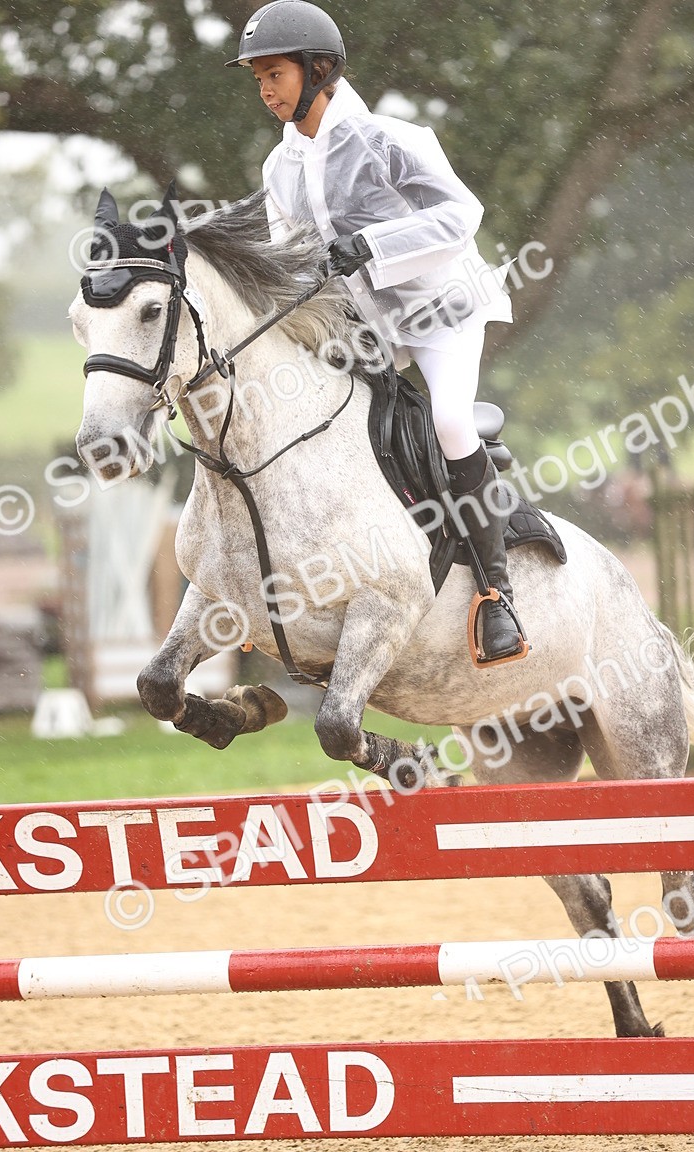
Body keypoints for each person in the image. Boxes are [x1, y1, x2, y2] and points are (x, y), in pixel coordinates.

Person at [229, 0, 524, 662]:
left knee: (450, 422)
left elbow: (462, 216)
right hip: (367, 328)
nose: (265, 89)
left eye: (274, 73)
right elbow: (290, 259)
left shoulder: (391, 138)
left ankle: (495, 593)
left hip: (442, 310)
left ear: (319, 69)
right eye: (257, 78)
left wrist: (371, 244)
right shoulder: (280, 168)